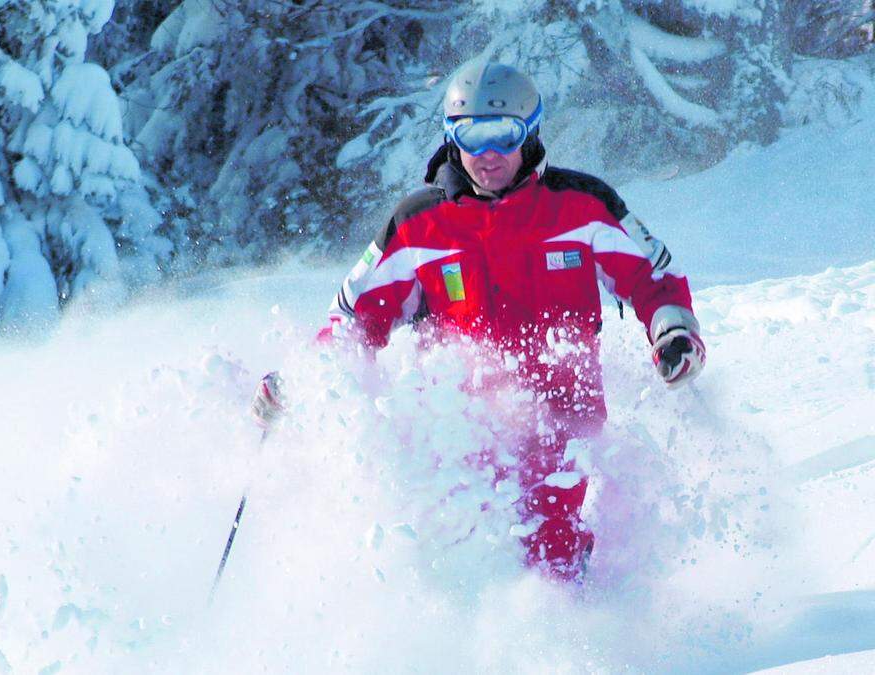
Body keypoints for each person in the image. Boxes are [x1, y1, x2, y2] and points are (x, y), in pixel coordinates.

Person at [252, 62, 706, 581]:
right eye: (471, 136)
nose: (488, 155)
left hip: (560, 426)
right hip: (460, 434)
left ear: (529, 132)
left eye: (503, 135)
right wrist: (305, 377)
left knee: (551, 556)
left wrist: (673, 331)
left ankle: (578, 645)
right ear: (451, 137)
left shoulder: (580, 207)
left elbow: (652, 275)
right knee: (461, 562)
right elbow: (356, 320)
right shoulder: (418, 224)